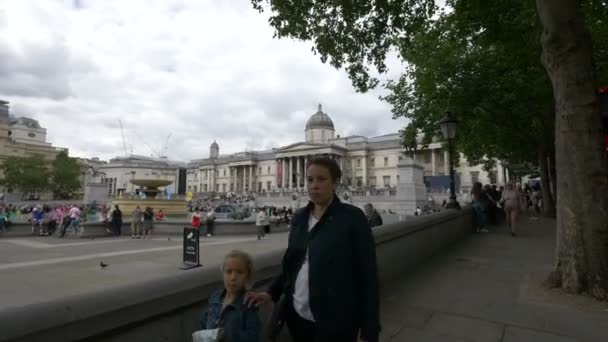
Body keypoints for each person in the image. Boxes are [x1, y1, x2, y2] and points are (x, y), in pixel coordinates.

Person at [245, 157, 380, 342]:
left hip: (336, 320)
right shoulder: (299, 218)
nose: (314, 185)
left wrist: (369, 329)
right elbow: (291, 265)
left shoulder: (352, 218)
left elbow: (368, 275)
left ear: (335, 183)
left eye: (321, 179)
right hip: (298, 317)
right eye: (309, 180)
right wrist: (270, 293)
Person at [197, 250, 260, 342]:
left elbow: (252, 337)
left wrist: (226, 335)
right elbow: (204, 323)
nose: (233, 277)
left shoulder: (248, 303)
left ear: (247, 276)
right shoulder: (215, 297)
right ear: (223, 274)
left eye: (239, 272)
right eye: (228, 272)